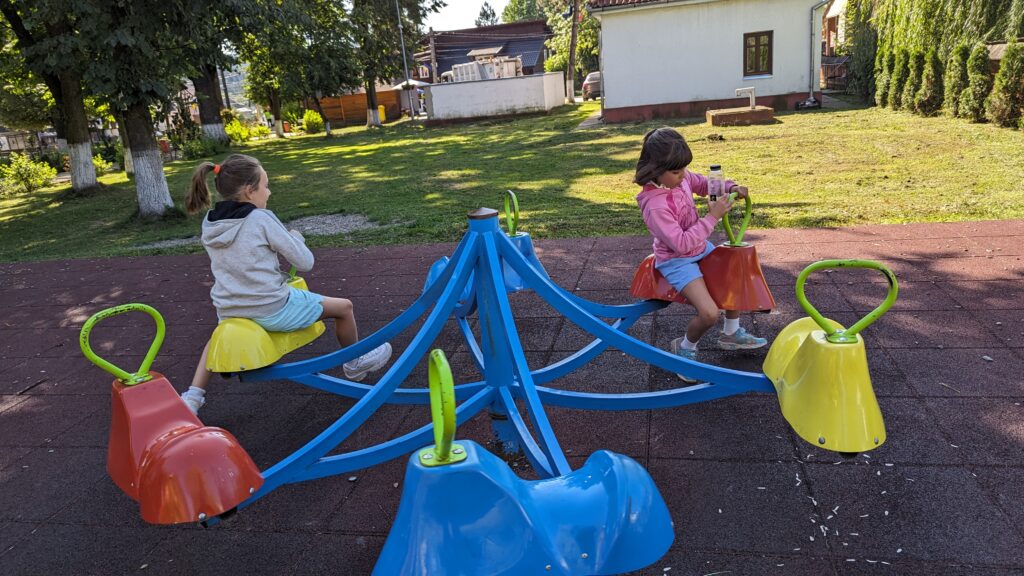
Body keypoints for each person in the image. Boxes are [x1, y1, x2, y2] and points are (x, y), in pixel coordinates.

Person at [180, 153, 392, 413]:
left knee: (218, 337)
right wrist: (295, 240)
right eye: (265, 186)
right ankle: (354, 362)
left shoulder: (210, 223)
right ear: (249, 191)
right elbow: (305, 262)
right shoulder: (261, 218)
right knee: (344, 308)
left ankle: (193, 397)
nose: (268, 192)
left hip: (229, 309)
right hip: (271, 307)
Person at [634, 127, 767, 382]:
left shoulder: (680, 177)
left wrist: (731, 186)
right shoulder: (655, 206)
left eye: (684, 169)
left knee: (733, 272)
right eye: (677, 172)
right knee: (708, 313)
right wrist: (712, 216)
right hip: (677, 260)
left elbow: (705, 184)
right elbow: (681, 245)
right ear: (655, 169)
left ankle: (731, 332)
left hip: (699, 248)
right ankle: (685, 347)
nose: (683, 175)